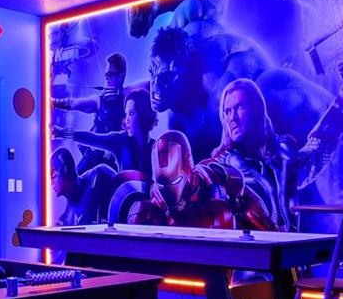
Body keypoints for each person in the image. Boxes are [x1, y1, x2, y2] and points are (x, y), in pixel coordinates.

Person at [129, 130, 270, 230]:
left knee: (224, 213)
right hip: (178, 253)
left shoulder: (214, 177)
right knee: (140, 214)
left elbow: (252, 206)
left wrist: (270, 229)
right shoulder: (155, 200)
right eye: (162, 184)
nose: (170, 189)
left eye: (175, 181)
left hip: (222, 249)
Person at [201, 78, 293, 230]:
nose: (232, 118)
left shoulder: (280, 153)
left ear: (256, 110)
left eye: (239, 107)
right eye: (227, 111)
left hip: (291, 242)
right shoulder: (219, 166)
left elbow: (314, 157)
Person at [53, 88, 157, 180]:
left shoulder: (156, 146)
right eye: (126, 114)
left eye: (131, 113)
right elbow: (91, 138)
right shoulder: (120, 140)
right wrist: (61, 133)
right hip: (123, 194)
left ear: (144, 114)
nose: (127, 120)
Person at [52, 52, 127, 135]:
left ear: (121, 76)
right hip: (93, 142)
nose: (107, 78)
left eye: (111, 74)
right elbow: (73, 103)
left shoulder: (129, 101)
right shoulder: (100, 100)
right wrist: (52, 102)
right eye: (106, 75)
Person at [49, 148, 116, 226]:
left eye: (54, 173)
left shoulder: (99, 175)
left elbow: (124, 191)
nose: (51, 182)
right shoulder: (67, 217)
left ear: (65, 169)